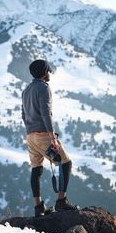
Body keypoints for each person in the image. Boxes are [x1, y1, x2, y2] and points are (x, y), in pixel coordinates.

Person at [22, 59, 77, 217]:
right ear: (45, 72)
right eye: (48, 71)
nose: (50, 73)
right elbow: (46, 113)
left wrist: (31, 131)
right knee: (65, 163)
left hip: (30, 136)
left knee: (36, 169)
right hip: (43, 134)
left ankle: (39, 207)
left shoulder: (26, 90)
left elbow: (24, 115)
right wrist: (52, 137)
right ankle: (61, 201)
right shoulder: (44, 88)